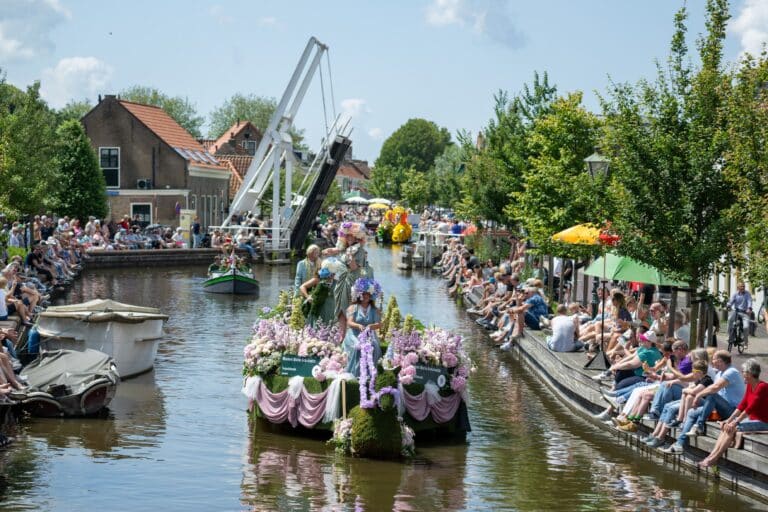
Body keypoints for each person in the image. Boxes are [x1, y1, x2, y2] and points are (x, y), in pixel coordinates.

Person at [663, 350, 746, 453]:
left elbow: (715, 388)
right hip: (718, 409)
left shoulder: (731, 372)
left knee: (712, 395)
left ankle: (699, 425)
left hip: (732, 411)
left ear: (720, 361)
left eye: (714, 359)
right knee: (691, 412)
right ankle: (680, 444)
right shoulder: (719, 373)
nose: (712, 361)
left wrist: (698, 395)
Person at [699, 358, 768, 468]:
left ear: (750, 373)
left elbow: (750, 408)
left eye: (744, 372)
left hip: (764, 422)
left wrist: (734, 423)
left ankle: (714, 459)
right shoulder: (750, 385)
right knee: (726, 426)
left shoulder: (762, 387)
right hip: (752, 420)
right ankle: (711, 456)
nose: (742, 374)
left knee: (731, 428)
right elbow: (742, 405)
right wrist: (729, 420)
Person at [342, 278, 382, 376]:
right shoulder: (353, 308)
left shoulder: (374, 310)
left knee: (374, 346)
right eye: (363, 294)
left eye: (368, 294)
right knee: (358, 347)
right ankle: (354, 373)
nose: (366, 296)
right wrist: (358, 325)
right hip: (354, 334)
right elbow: (349, 323)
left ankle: (371, 374)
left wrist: (371, 326)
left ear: (371, 295)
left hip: (369, 334)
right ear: (359, 295)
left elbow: (379, 324)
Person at [299, 260, 341, 327]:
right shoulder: (317, 280)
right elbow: (302, 287)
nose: (332, 276)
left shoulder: (336, 282)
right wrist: (308, 297)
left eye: (333, 274)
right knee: (318, 327)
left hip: (331, 308)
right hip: (319, 307)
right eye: (331, 274)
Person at [727, 282, 752, 348]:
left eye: (744, 286)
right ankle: (730, 336)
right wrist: (728, 306)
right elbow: (731, 301)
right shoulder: (735, 294)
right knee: (730, 319)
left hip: (745, 312)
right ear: (738, 288)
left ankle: (745, 342)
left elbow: (749, 301)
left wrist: (749, 308)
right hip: (736, 311)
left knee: (746, 327)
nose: (743, 287)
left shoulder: (747, 294)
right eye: (741, 286)